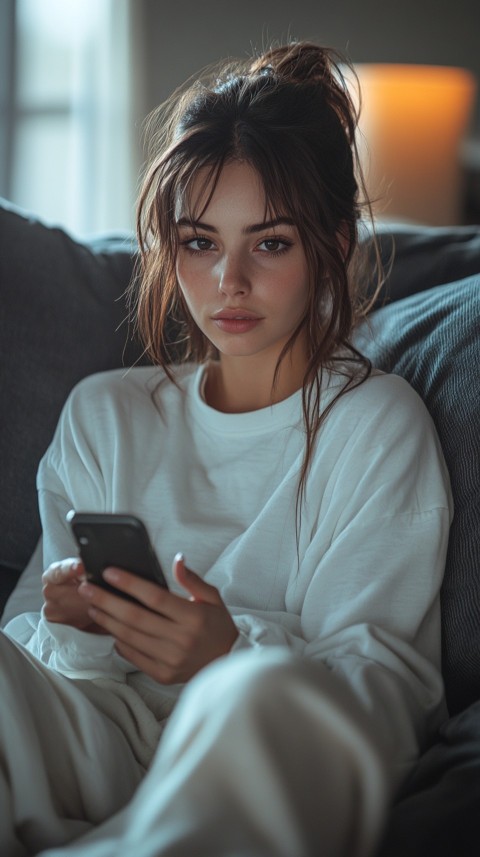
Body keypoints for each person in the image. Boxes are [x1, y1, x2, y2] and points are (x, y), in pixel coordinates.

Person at [1, 40, 452, 857]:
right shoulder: (104, 413)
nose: (228, 282)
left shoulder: (377, 425)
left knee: (255, 693)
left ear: (334, 245)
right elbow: (33, 647)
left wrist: (224, 654)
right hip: (99, 730)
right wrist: (76, 623)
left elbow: (388, 702)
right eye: (200, 242)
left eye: (270, 243)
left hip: (255, 750)